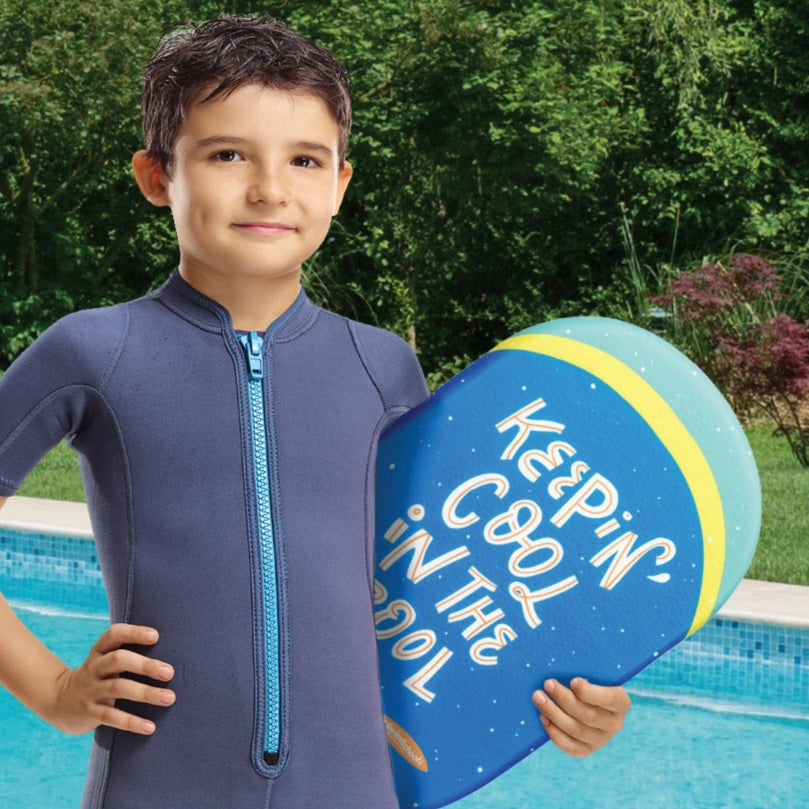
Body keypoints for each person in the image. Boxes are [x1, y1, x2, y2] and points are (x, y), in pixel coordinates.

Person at [0, 14, 630, 809]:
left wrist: (571, 695)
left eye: (304, 159)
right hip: (158, 785)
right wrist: (56, 690)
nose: (270, 188)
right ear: (157, 176)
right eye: (227, 154)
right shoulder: (96, 352)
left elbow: (464, 577)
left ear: (339, 183)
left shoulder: (382, 367)